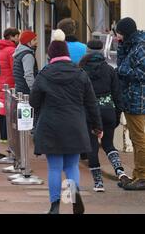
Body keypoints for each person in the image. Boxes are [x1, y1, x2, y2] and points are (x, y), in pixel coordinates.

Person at [29, 29, 102, 214]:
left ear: (50, 55)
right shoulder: (80, 74)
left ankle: (54, 206)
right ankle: (73, 194)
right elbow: (91, 102)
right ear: (67, 54)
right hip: (75, 124)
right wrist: (97, 126)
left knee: (54, 167)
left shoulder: (44, 74)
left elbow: (33, 101)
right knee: (71, 166)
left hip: (51, 125)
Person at [79, 40, 133, 192]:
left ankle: (98, 183)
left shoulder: (81, 70)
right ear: (102, 51)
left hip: (89, 113)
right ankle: (120, 170)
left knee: (92, 147)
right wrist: (117, 115)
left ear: (87, 51)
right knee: (108, 144)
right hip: (108, 110)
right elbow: (117, 94)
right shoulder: (110, 70)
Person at [115, 17, 145, 191]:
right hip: (131, 97)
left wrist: (120, 71)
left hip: (137, 99)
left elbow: (139, 73)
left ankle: (142, 176)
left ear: (126, 33)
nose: (118, 36)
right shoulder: (132, 44)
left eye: (119, 33)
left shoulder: (140, 47)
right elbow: (123, 62)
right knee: (136, 138)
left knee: (139, 138)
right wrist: (121, 45)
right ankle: (137, 174)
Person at [0, 28, 20, 143]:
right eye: (17, 36)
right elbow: (14, 69)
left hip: (1, 81)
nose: (18, 39)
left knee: (3, 109)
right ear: (11, 37)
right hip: (10, 82)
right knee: (10, 110)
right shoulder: (11, 50)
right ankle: (9, 137)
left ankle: (3, 137)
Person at [13, 30, 38, 95]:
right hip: (26, 92)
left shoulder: (19, 53)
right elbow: (28, 74)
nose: (36, 42)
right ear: (28, 42)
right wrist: (34, 90)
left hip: (20, 89)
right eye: (34, 40)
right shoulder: (27, 55)